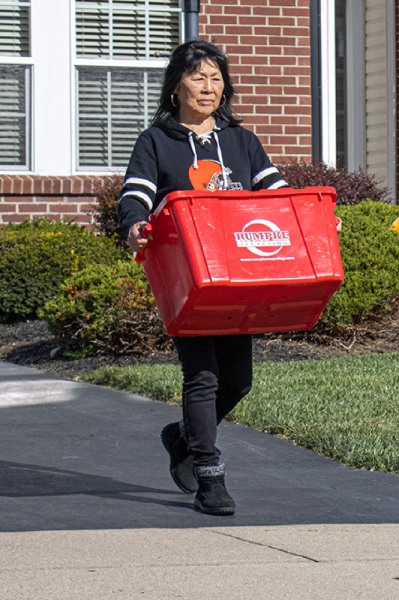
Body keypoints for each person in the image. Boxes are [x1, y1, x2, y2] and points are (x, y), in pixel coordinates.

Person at [118, 40, 288, 516]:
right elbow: (135, 196)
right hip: (186, 279)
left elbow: (277, 195)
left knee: (237, 381)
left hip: (237, 277)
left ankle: (183, 437)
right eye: (198, 77)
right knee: (203, 377)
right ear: (176, 86)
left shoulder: (242, 142)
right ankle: (209, 477)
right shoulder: (156, 142)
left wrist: (307, 219)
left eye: (216, 78)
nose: (208, 88)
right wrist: (134, 223)